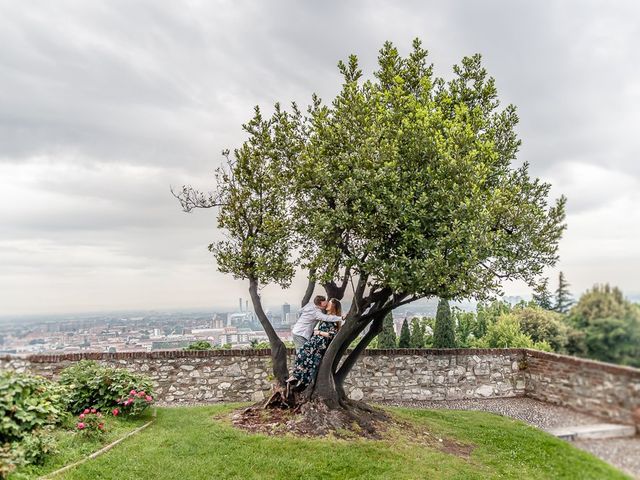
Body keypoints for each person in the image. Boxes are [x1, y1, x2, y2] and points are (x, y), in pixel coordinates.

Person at [286, 298, 342, 391]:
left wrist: (319, 332)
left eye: (329, 303)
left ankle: (303, 382)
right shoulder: (323, 314)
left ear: (333, 307)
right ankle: (298, 378)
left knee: (310, 361)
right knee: (302, 356)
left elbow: (332, 334)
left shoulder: (332, 319)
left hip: (320, 344)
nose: (327, 303)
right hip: (315, 341)